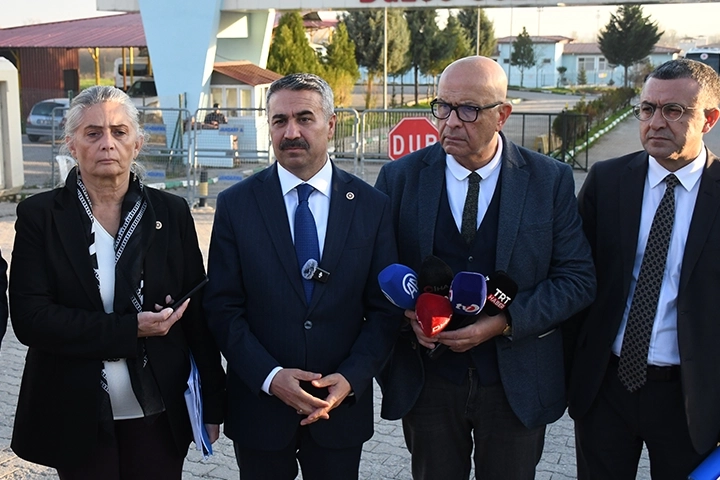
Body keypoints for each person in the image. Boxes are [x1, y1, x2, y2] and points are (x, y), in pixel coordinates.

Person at [375, 55, 596, 479]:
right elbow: (377, 272)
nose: (450, 122)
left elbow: (577, 280)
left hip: (516, 385)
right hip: (428, 382)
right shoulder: (399, 178)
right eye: (443, 106)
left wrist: (504, 323)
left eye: (469, 109)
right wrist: (408, 318)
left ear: (502, 115)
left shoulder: (549, 180)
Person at [9, 85, 226, 479]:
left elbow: (197, 316)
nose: (107, 143)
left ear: (137, 143)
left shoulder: (171, 213)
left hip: (159, 411)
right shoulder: (40, 216)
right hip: (76, 411)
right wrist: (130, 329)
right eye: (92, 133)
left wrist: (212, 400)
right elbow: (30, 319)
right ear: (72, 145)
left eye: (119, 131)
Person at [202, 72, 402, 480]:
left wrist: (351, 378)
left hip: (338, 410)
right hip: (260, 410)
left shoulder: (372, 206)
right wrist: (270, 377)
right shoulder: (236, 205)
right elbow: (222, 307)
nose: (291, 132)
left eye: (304, 118)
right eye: (279, 120)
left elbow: (385, 310)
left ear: (330, 125)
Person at [568, 59, 720, 479]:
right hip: (606, 389)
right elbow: (576, 278)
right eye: (647, 108)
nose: (655, 122)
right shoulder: (606, 181)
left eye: (673, 111)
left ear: (709, 119)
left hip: (691, 400)